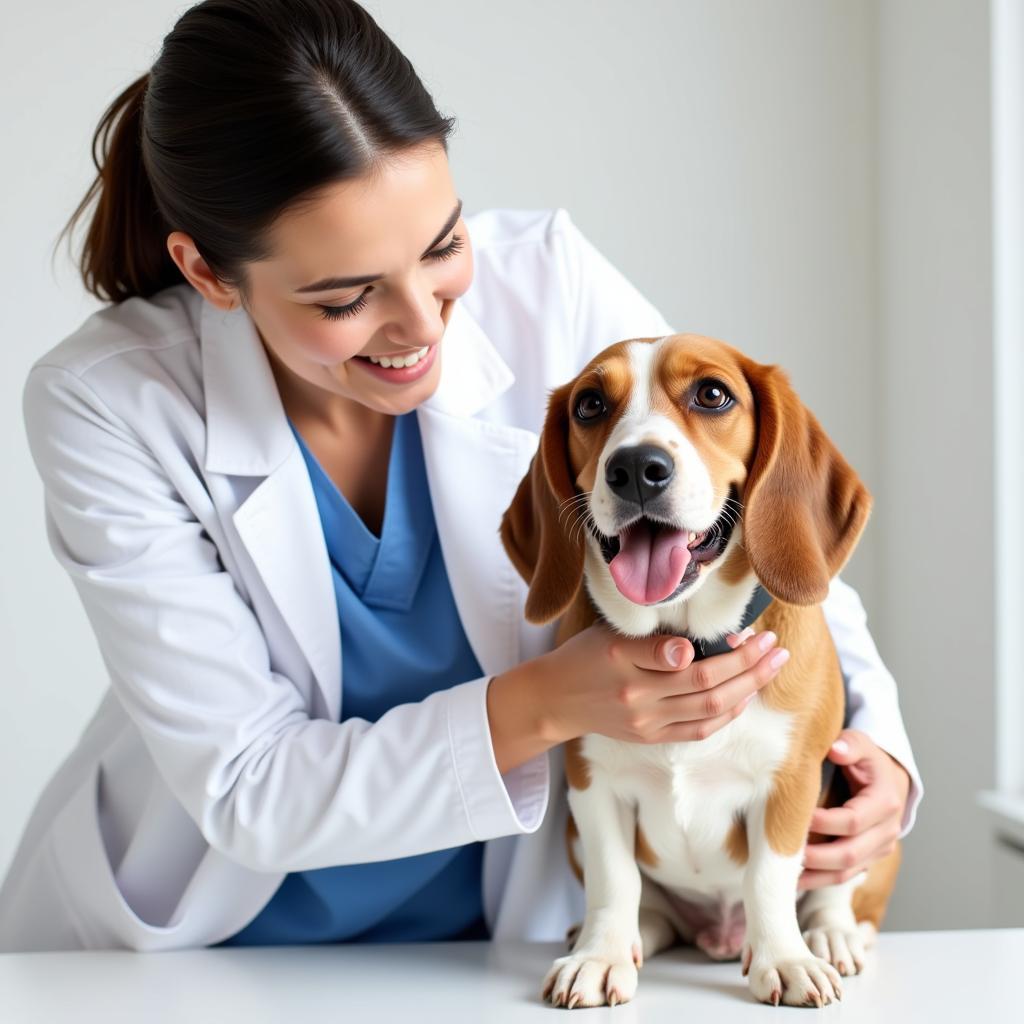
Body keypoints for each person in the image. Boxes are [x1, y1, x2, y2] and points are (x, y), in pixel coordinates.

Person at [0, 0, 921, 953]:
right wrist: (555, 699)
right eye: (347, 296)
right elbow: (247, 789)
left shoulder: (548, 281)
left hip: (493, 937)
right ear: (209, 273)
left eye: (442, 247)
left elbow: (751, 517)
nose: (423, 326)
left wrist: (877, 749)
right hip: (204, 943)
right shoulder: (108, 402)